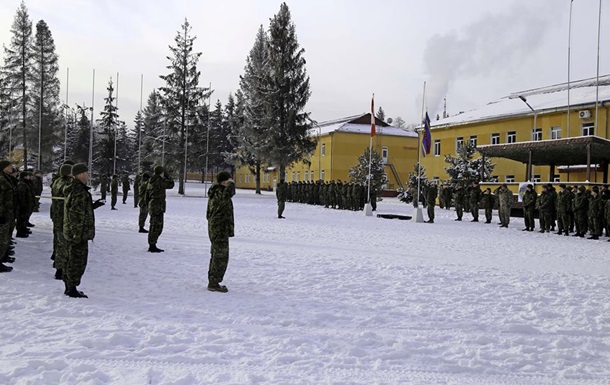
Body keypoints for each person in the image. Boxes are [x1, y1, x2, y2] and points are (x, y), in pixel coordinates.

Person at [63, 163, 105, 298]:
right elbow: (75, 215)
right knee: (77, 261)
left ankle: (70, 286)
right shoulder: (79, 191)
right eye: (87, 173)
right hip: (77, 235)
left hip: (75, 233)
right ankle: (72, 288)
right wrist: (76, 234)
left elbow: (80, 210)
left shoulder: (76, 189)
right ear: (80, 174)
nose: (89, 175)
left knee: (72, 259)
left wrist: (94, 206)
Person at [206, 171, 235, 293]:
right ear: (224, 181)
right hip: (219, 229)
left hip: (218, 228)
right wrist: (231, 185)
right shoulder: (220, 192)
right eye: (228, 180)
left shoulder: (217, 191)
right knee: (220, 256)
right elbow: (228, 194)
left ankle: (213, 280)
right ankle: (214, 282)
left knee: (217, 255)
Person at [50, 163, 75, 280]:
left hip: (57, 215)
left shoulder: (57, 181)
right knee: (65, 244)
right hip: (64, 216)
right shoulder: (68, 183)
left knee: (59, 242)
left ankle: (58, 265)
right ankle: (61, 269)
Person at [146, 165, 175, 252]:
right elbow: (171, 184)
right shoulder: (159, 181)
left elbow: (146, 195)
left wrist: (148, 204)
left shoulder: (151, 180)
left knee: (153, 225)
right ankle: (152, 245)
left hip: (153, 204)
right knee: (157, 226)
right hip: (157, 206)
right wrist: (167, 175)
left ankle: (152, 244)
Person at [0, 160, 15, 273]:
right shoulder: (1, 179)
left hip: (7, 213)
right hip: (2, 214)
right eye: (10, 166)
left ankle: (2, 258)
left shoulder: (5, 177)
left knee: (4, 239)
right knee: (1, 239)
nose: (12, 167)